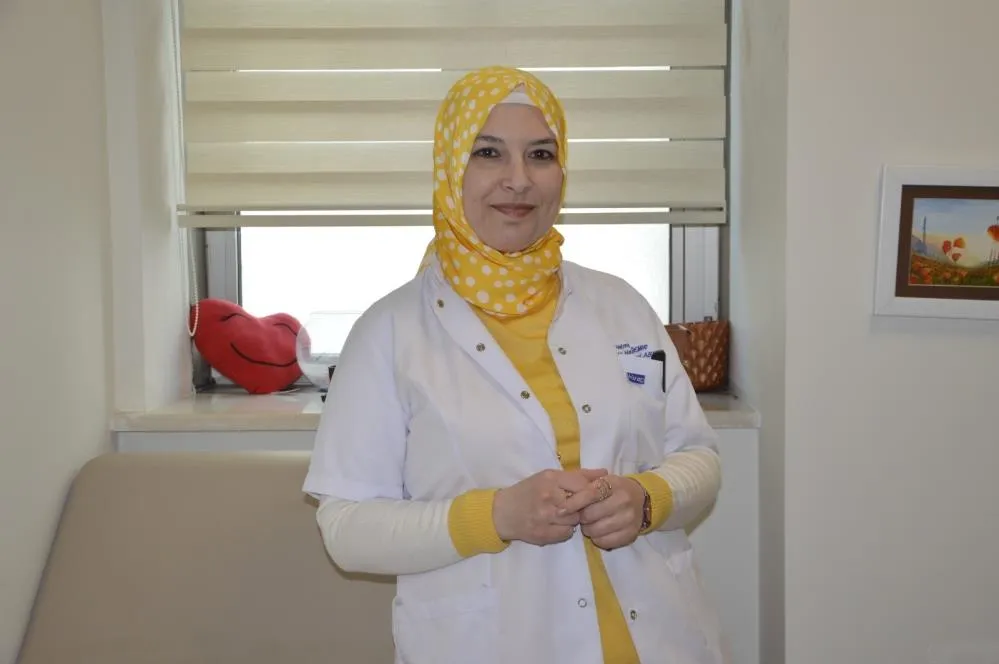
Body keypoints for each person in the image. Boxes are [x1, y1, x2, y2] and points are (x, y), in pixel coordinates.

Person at [303, 65, 724, 664]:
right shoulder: (389, 332)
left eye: (541, 155)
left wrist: (647, 497)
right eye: (488, 153)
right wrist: (496, 515)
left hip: (654, 638)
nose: (519, 180)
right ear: (451, 167)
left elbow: (699, 456)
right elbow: (346, 529)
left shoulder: (622, 305)